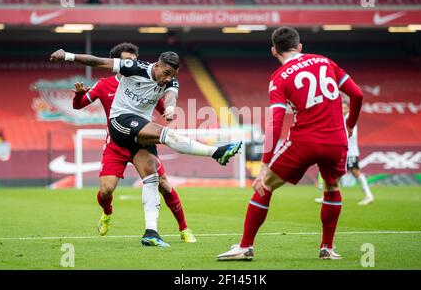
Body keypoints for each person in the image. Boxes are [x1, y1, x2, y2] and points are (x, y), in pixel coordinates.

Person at [50, 48, 242, 247]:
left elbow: (171, 95)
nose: (168, 78)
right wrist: (67, 56)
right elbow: (97, 61)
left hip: (139, 133)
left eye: (172, 75)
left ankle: (151, 232)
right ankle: (216, 152)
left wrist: (170, 108)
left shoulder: (170, 81)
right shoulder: (132, 69)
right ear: (157, 66)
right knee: (110, 187)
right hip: (120, 124)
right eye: (166, 73)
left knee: (152, 178)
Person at [217, 26, 363, 261]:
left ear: (274, 51)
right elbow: (357, 94)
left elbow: (276, 122)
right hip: (336, 140)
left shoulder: (279, 78)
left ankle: (245, 247)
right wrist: (351, 125)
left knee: (264, 185)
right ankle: (327, 248)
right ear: (300, 46)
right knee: (332, 187)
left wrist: (264, 164)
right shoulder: (325, 61)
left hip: (304, 140)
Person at [72, 42, 196, 245]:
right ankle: (107, 212)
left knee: (164, 185)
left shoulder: (148, 82)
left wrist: (168, 111)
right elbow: (79, 105)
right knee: (106, 191)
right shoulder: (104, 84)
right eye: (125, 60)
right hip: (116, 142)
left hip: (140, 141)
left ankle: (184, 229)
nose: (130, 63)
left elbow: (162, 104)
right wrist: (78, 94)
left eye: (133, 60)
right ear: (117, 62)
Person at [315, 100, 374, 206]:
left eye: (344, 108)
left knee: (355, 172)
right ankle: (326, 196)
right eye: (341, 108)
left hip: (350, 152)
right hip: (342, 152)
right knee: (334, 174)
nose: (342, 110)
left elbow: (349, 134)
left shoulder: (350, 119)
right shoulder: (340, 119)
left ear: (348, 109)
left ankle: (369, 195)